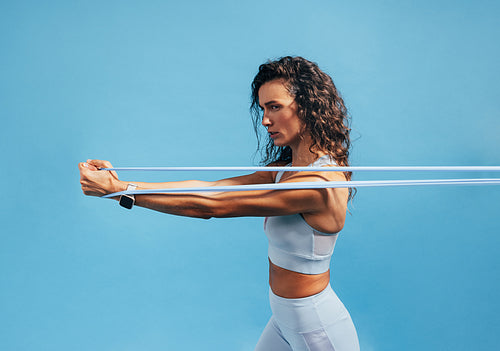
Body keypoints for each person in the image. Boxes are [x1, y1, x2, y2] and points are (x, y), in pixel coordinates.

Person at [79, 56, 360, 351]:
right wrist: (122, 186)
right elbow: (211, 189)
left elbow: (212, 206)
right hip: (284, 319)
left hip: (316, 328)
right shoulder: (285, 170)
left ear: (307, 106)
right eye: (263, 108)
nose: (265, 119)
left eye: (275, 107)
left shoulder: (317, 186)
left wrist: (121, 191)